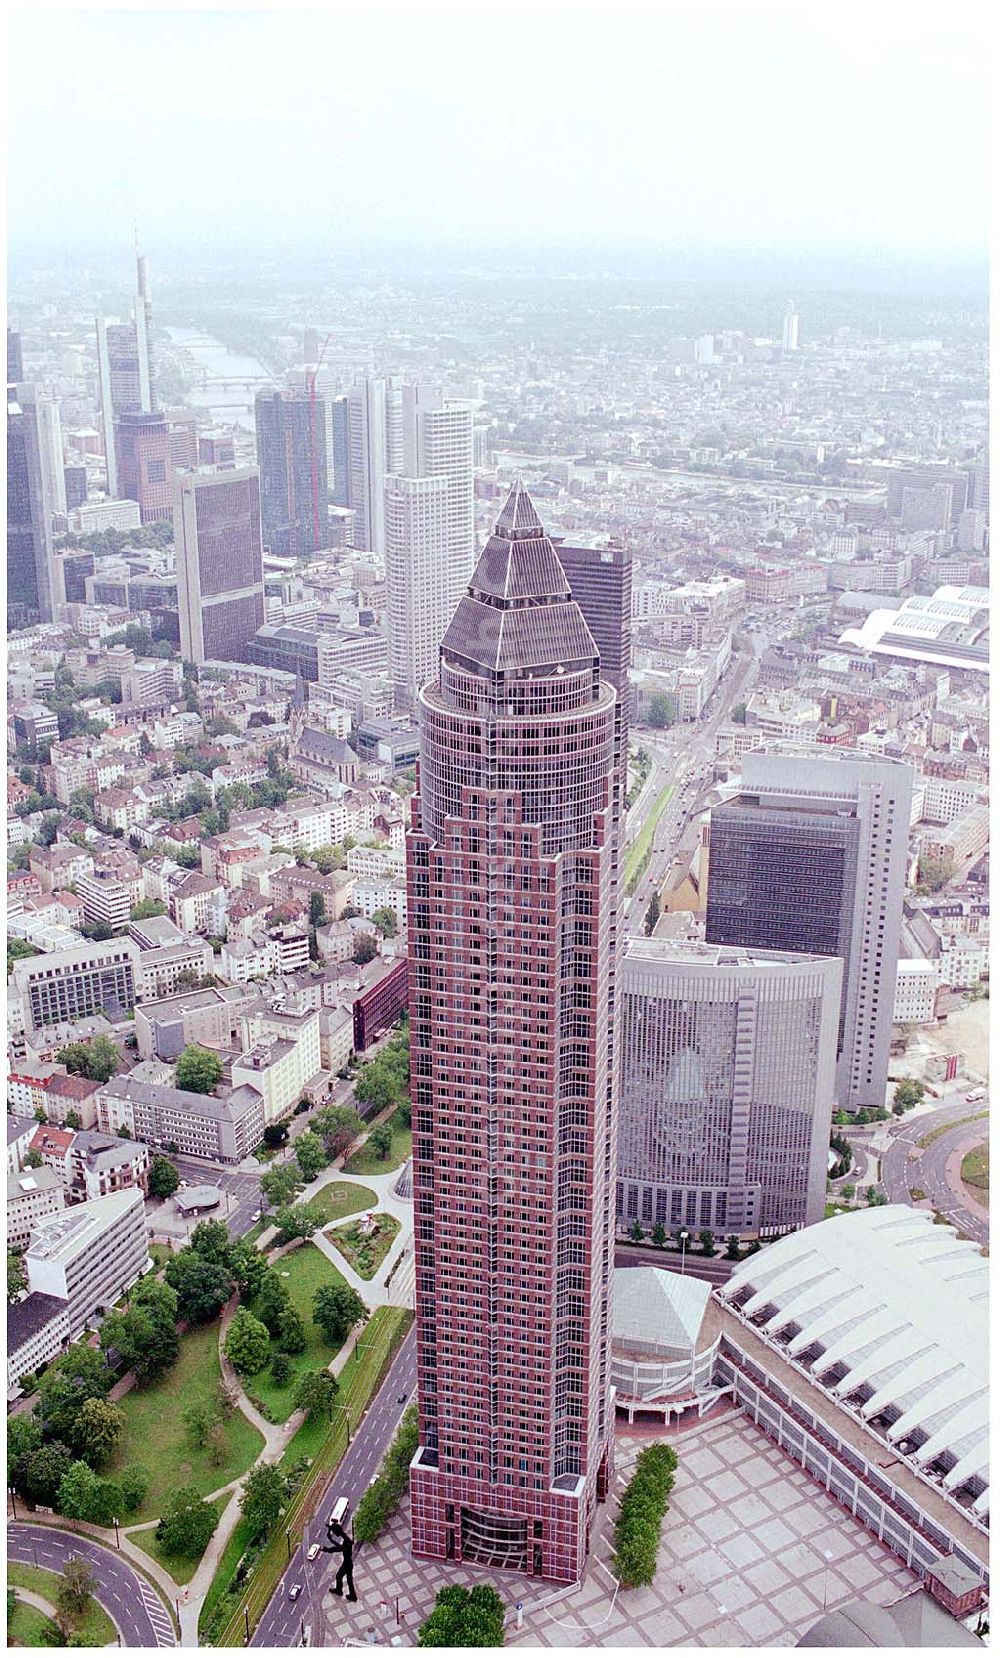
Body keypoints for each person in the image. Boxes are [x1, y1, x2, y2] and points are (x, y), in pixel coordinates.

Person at [323, 1520, 358, 1602]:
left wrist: (327, 1549)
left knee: (341, 1577)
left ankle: (341, 1591)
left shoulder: (347, 1542)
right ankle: (350, 1595)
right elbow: (339, 1546)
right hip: (348, 1563)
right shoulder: (346, 1538)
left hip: (347, 1564)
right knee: (347, 1579)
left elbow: (338, 1548)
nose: (335, 1534)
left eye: (335, 1533)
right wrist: (330, 1532)